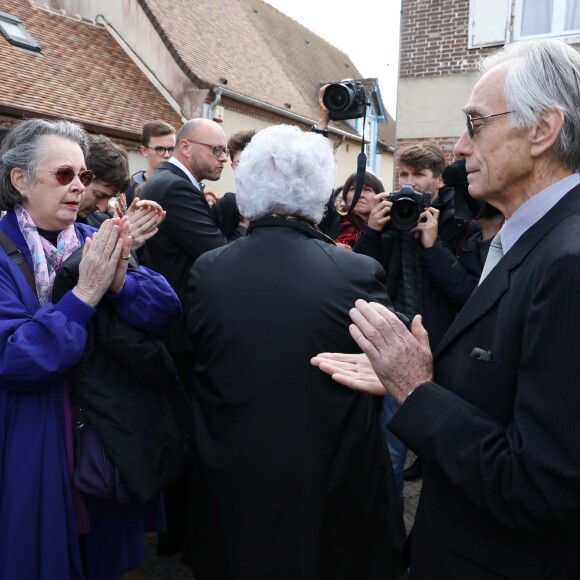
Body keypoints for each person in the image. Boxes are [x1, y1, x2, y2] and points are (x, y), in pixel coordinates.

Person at [313, 38, 580, 578]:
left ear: (543, 131)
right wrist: (424, 380)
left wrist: (416, 391)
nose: (459, 147)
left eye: (475, 124)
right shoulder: (536, 239)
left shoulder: (568, 261)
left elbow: (538, 487)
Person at [184, 124, 406, 580]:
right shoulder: (354, 272)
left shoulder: (209, 269)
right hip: (326, 479)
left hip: (233, 472)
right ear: (321, 192)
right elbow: (393, 364)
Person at [0, 118, 181, 579]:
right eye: (64, 175)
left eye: (82, 176)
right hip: (36, 433)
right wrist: (84, 296)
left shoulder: (88, 238)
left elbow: (163, 310)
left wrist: (119, 283)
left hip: (105, 430)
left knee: (110, 555)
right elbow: (17, 357)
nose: (78, 187)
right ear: (19, 179)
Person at [138, 117, 247, 557]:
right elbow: (214, 254)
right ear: (185, 148)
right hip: (180, 333)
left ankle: (174, 532)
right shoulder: (174, 186)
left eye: (224, 152)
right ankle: (177, 535)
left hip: (176, 328)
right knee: (184, 435)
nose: (223, 158)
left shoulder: (170, 183)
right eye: (216, 150)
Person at [355, 142, 476, 491]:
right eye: (404, 174)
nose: (410, 183)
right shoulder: (389, 217)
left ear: (438, 182)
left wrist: (432, 245)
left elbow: (465, 293)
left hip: (444, 348)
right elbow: (363, 277)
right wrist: (372, 231)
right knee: (390, 450)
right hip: (397, 346)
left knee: (444, 451)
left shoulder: (458, 223)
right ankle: (392, 533)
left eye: (419, 175)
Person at [125, 120, 176, 205]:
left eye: (171, 149)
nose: (167, 155)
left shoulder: (184, 186)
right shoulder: (129, 189)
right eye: (159, 149)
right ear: (144, 151)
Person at [334, 170, 385, 248]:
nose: (360, 194)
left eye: (367, 189)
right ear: (345, 196)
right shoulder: (332, 222)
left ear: (379, 197)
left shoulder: (386, 228)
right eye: (354, 189)